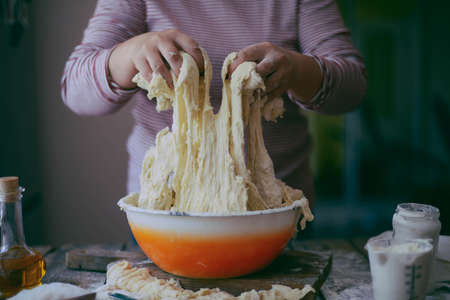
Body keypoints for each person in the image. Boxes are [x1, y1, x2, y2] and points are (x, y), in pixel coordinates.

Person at [61, 0, 367, 205]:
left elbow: (353, 86)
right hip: (167, 208)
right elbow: (76, 89)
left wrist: (297, 69)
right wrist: (131, 54)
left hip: (274, 207)